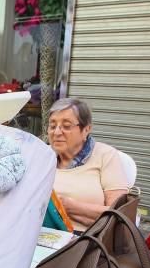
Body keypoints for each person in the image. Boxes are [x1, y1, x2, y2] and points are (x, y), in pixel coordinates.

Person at [48, 97, 129, 231]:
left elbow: (120, 213)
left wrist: (72, 207)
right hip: (41, 236)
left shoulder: (106, 155)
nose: (56, 132)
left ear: (86, 129)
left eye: (66, 126)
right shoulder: (43, 157)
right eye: (52, 125)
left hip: (88, 240)